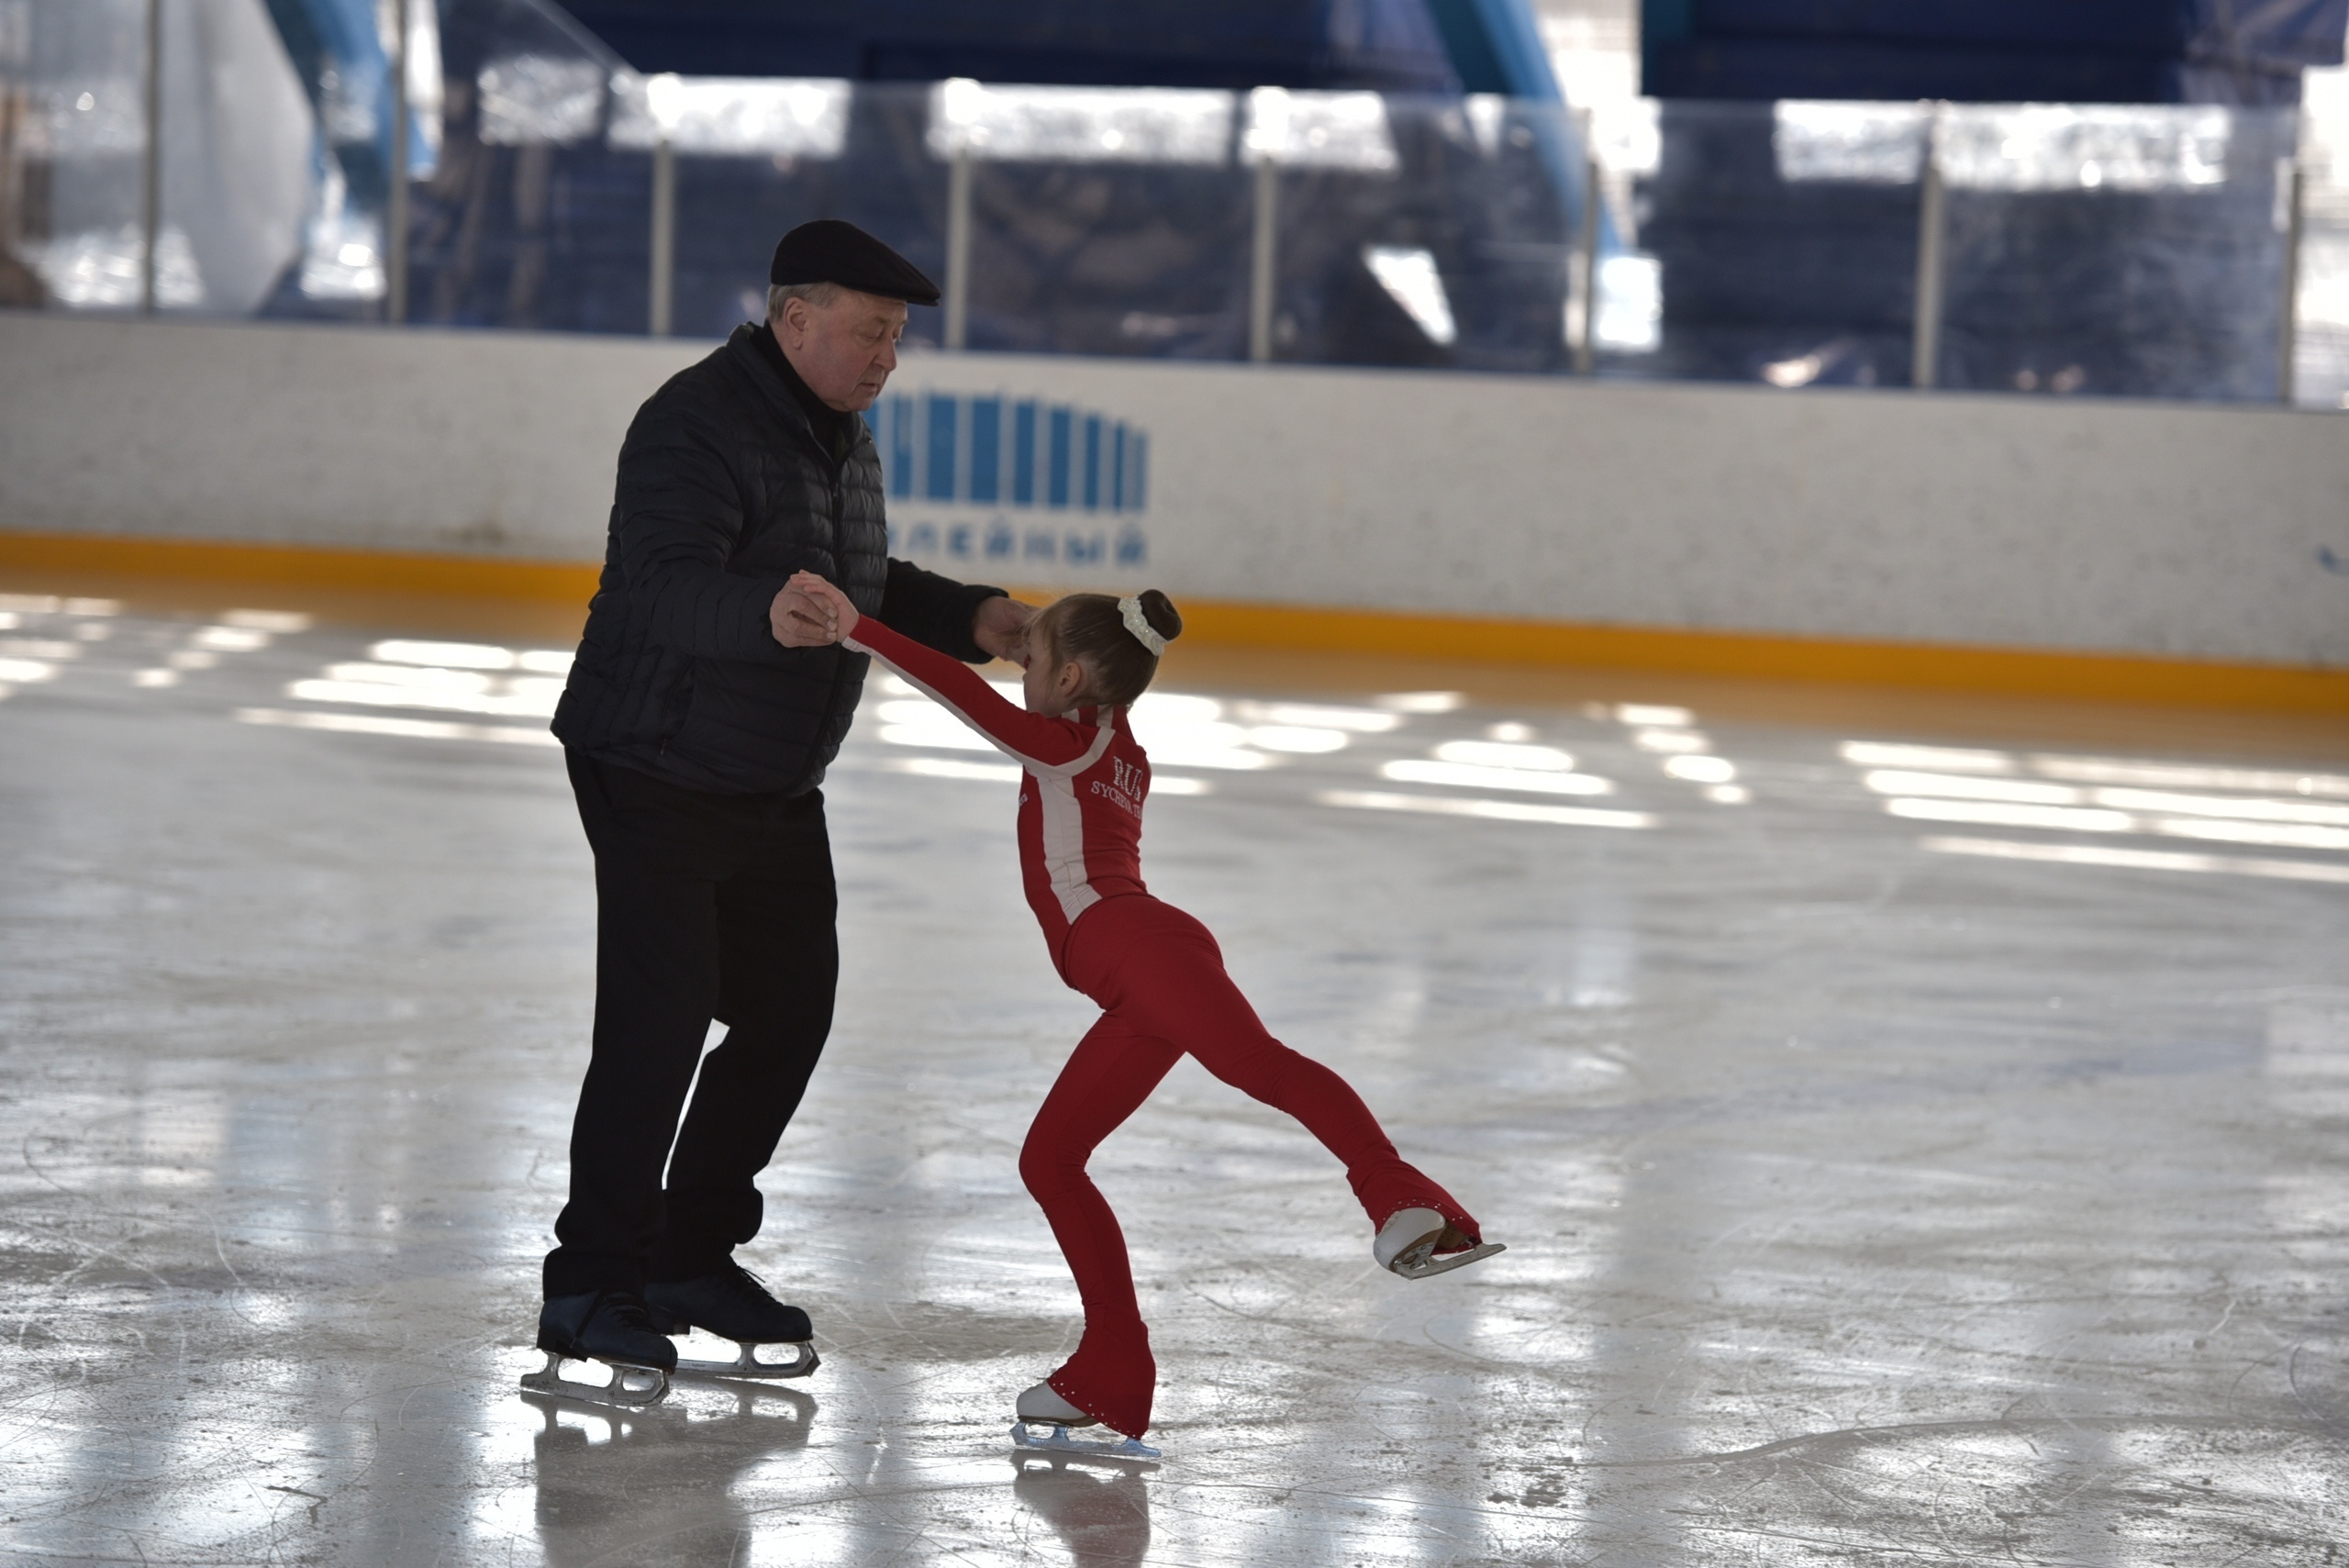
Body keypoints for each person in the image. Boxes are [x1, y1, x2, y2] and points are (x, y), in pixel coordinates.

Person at [788, 570, 1502, 1453]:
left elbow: (963, 693)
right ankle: (1113, 1367)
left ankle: (1399, 1197)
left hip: (1132, 948)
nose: (1019, 669)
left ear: (1074, 682)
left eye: (1035, 660)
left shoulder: (1062, 743)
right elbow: (1053, 683)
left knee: (1261, 1066)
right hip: (1141, 964)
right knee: (1051, 1158)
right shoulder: (1119, 746)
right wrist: (1051, 643)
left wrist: (860, 627)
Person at [531, 220, 1034, 1395]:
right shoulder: (692, 421)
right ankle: (587, 1283)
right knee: (658, 1025)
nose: (887, 357)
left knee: (788, 1010)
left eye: (898, 337)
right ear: (795, 318)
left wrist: (976, 617)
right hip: (654, 755)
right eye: (871, 332)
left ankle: (688, 1256)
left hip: (766, 775)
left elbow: (859, 585)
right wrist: (761, 614)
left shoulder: (837, 432)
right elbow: (658, 588)